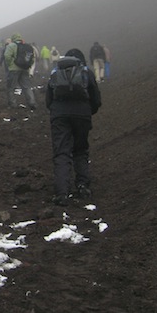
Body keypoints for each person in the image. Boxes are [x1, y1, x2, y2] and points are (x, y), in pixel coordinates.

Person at [45, 48, 102, 206]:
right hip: (82, 115)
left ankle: (62, 192)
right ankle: (83, 185)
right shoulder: (86, 72)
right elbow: (96, 99)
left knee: (61, 152)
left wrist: (56, 112)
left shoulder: (55, 73)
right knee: (80, 150)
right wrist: (88, 111)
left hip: (59, 115)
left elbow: (48, 99)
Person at [3, 33, 37, 110]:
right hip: (25, 69)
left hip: (14, 69)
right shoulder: (27, 46)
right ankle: (32, 102)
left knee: (11, 87)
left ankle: (13, 104)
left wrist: (11, 64)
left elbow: (7, 56)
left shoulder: (11, 46)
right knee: (26, 87)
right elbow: (32, 58)